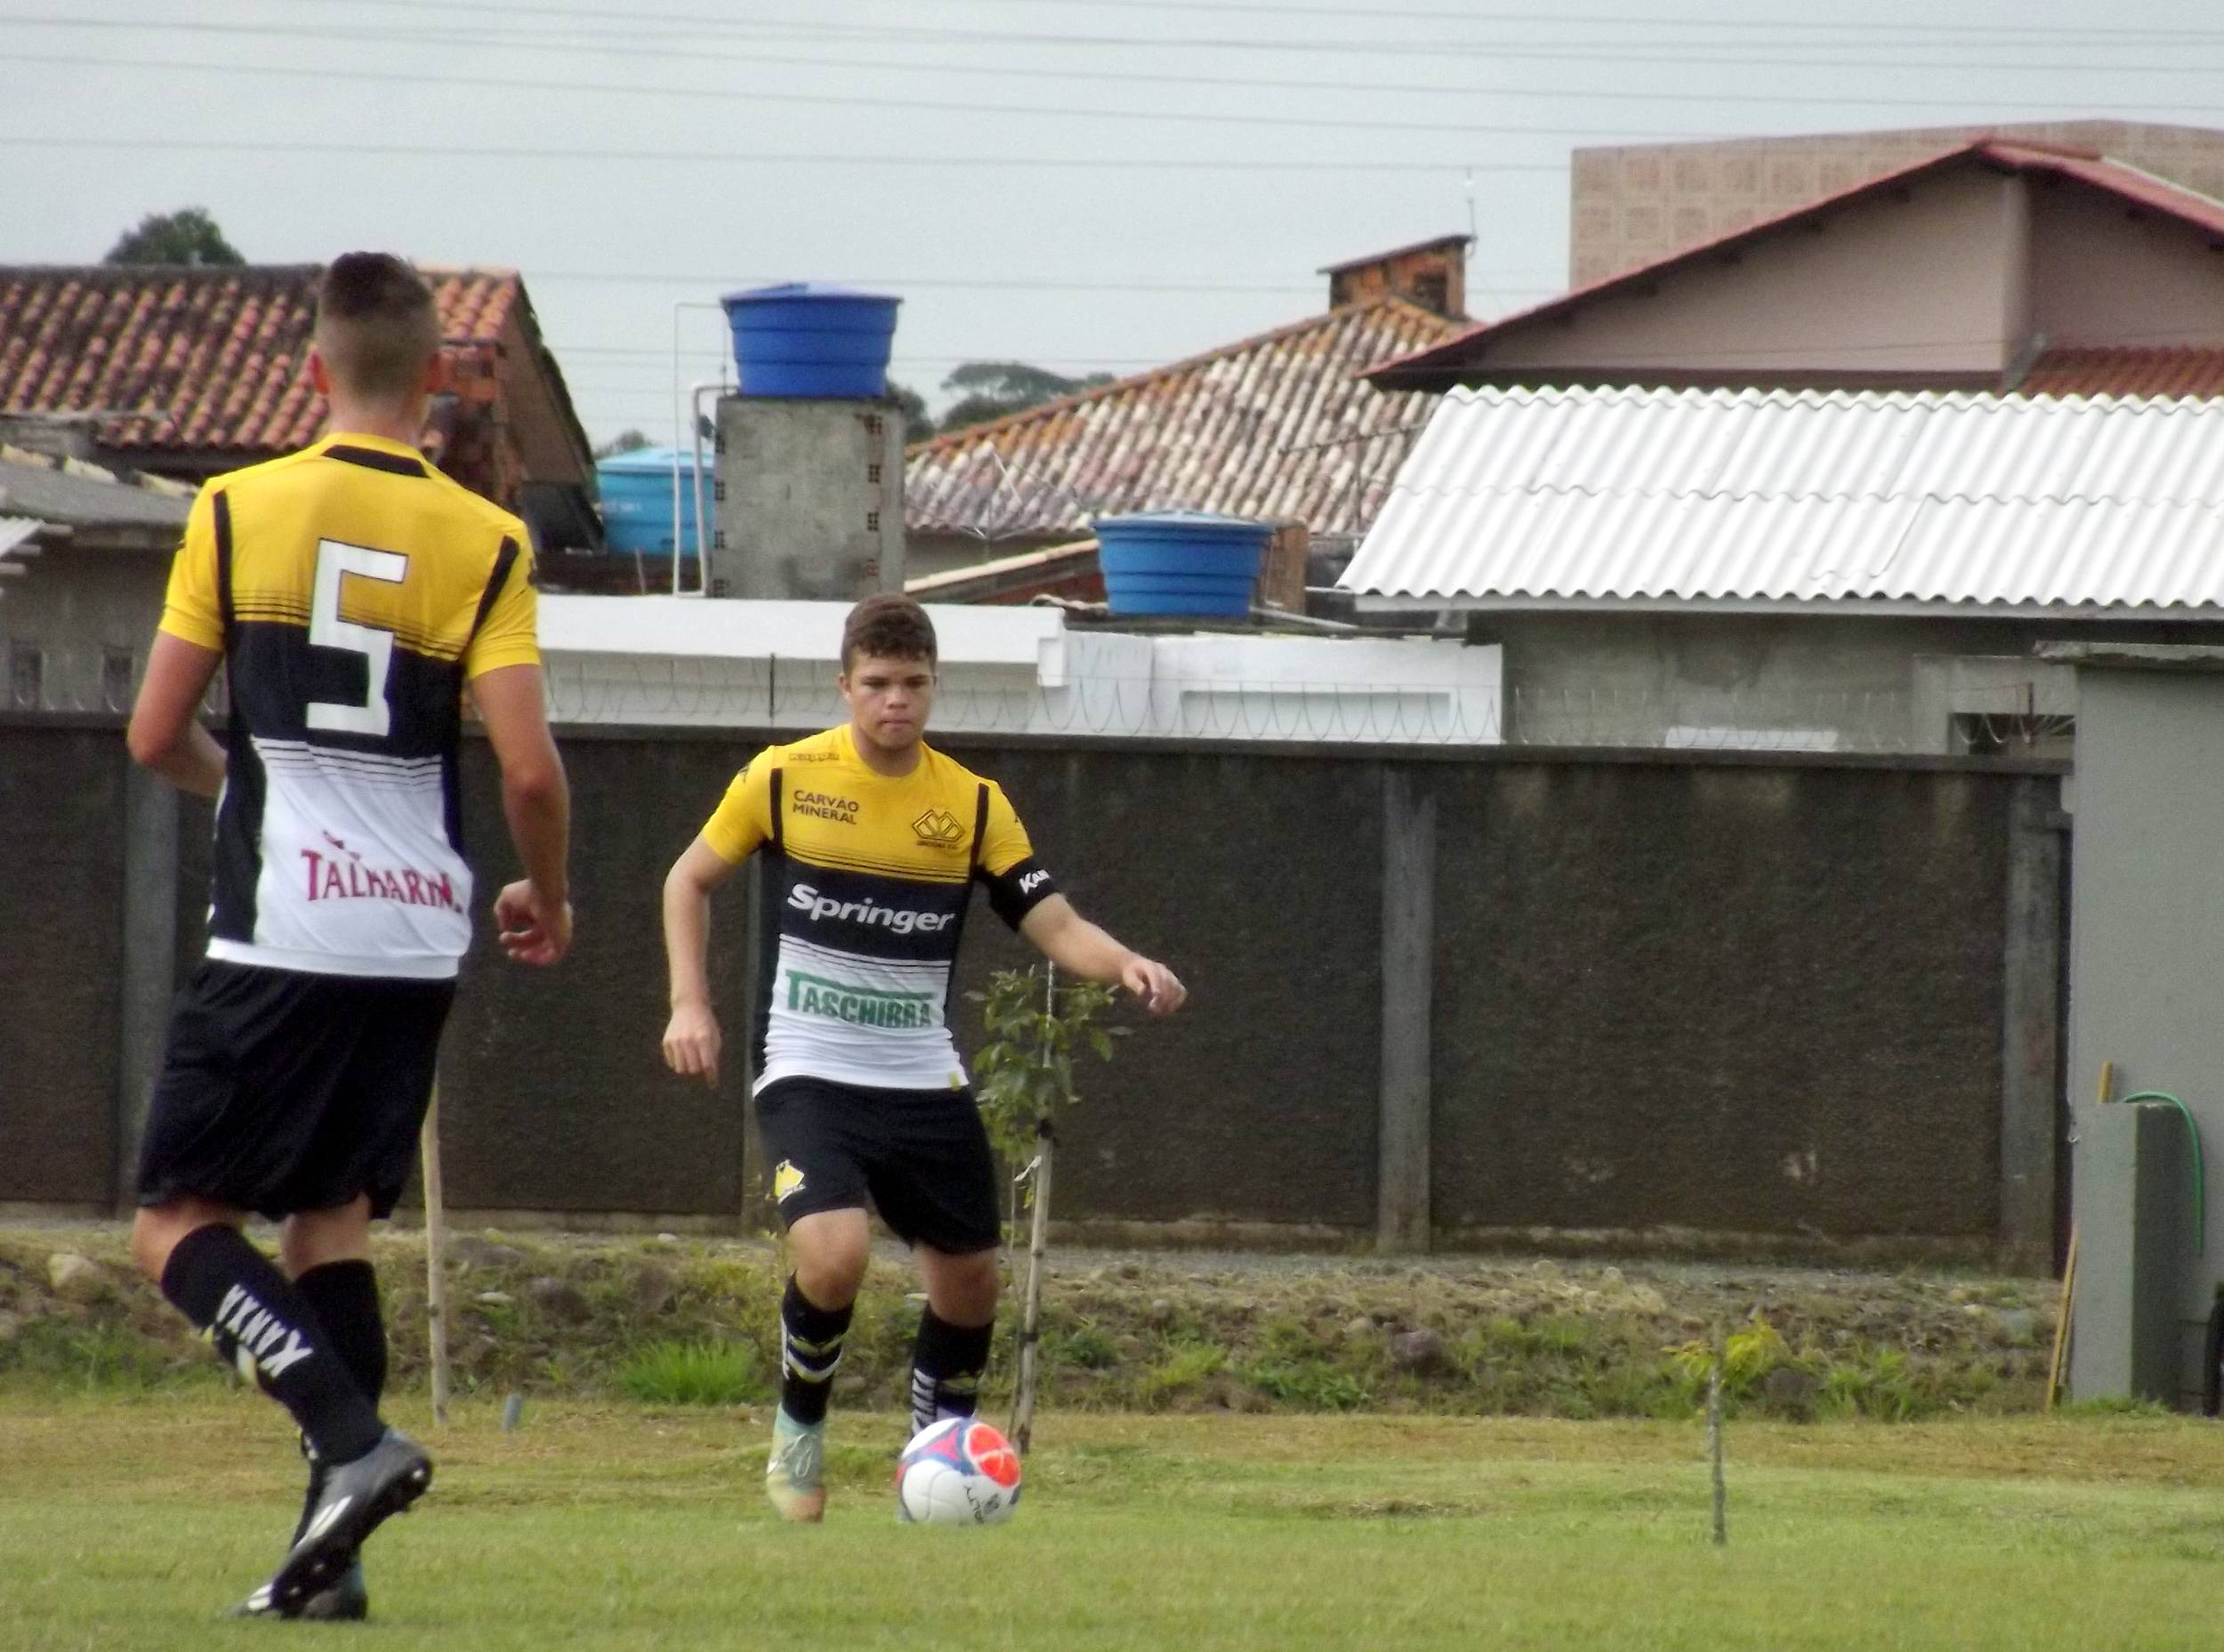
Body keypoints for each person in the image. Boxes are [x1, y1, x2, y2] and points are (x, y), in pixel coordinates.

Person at [124, 253, 573, 1618]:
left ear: (313, 370)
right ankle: (337, 1565)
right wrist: (545, 894)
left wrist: (246, 787)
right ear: (438, 379)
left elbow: (153, 735)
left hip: (283, 928)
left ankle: (347, 1439)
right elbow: (533, 772)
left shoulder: (236, 507)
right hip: (415, 937)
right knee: (329, 1226)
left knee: (173, 1222)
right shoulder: (490, 539)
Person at [661, 594, 1184, 1521]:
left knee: (971, 1284)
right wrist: (689, 1003)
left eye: (912, 683)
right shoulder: (783, 779)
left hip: (919, 1072)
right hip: (807, 1065)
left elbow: (1054, 923)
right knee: (834, 1255)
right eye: (876, 684)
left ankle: (930, 1468)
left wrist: (1128, 962)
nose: (895, 701)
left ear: (935, 687)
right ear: (846, 687)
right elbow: (687, 880)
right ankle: (797, 1435)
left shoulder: (973, 805)